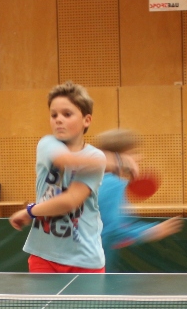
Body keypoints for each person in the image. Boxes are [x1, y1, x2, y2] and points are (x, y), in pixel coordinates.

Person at [9, 81, 111, 273]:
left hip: (84, 259)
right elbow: (66, 160)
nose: (58, 120)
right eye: (54, 115)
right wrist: (116, 162)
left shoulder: (94, 156)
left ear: (86, 120)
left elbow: (69, 201)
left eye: (67, 114)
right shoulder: (47, 144)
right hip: (44, 255)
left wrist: (30, 211)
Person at [94, 128, 183, 271]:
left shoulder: (94, 180)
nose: (139, 157)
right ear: (118, 156)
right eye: (133, 153)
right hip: (92, 264)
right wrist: (151, 231)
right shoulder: (113, 183)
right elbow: (112, 231)